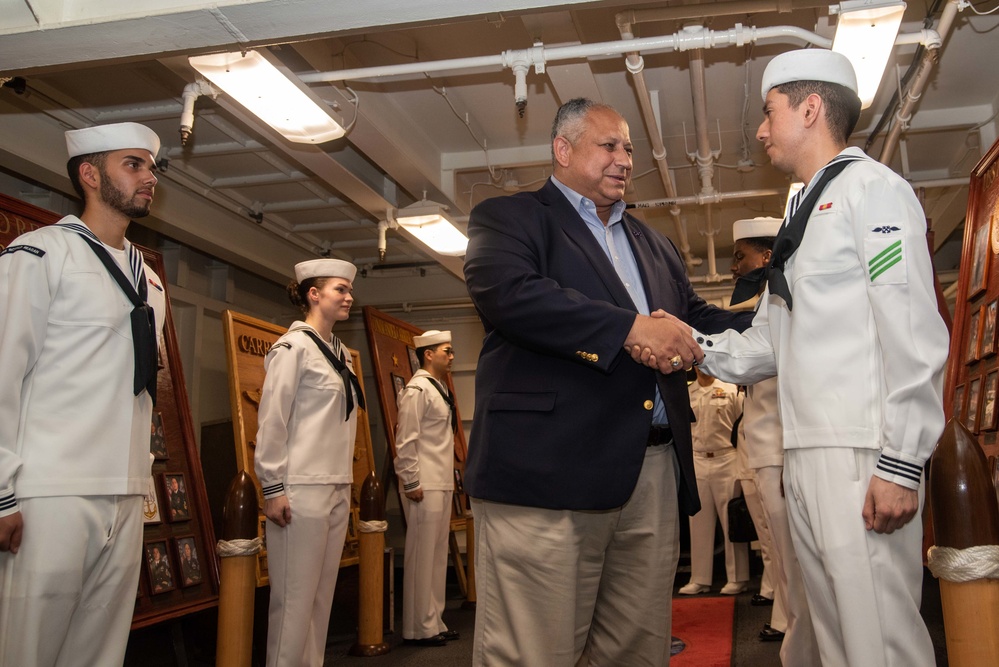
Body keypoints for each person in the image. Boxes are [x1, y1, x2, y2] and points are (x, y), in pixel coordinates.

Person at [463, 97, 752, 666]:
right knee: (534, 650)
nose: (625, 159)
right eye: (610, 146)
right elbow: (511, 296)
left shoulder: (654, 244)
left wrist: (774, 311)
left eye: (629, 149)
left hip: (651, 474)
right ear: (562, 150)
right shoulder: (510, 218)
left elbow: (695, 318)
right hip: (549, 474)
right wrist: (629, 328)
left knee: (637, 649)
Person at [691, 50, 948, 666]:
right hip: (803, 453)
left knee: (877, 637)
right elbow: (769, 343)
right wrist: (689, 345)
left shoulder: (875, 194)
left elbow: (913, 332)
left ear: (810, 110)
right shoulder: (802, 213)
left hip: (861, 454)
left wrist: (903, 462)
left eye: (768, 112)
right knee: (832, 635)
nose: (760, 129)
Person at [0, 122, 166, 667]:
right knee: (28, 651)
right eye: (133, 164)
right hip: (52, 490)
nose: (149, 177)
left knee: (99, 653)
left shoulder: (153, 282)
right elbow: (4, 370)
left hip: (124, 489)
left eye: (151, 166)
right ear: (90, 175)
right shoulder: (42, 253)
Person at [254, 258, 364, 667]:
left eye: (350, 290)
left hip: (335, 483)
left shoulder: (341, 354)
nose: (349, 296)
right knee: (293, 603)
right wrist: (273, 487)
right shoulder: (293, 348)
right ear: (313, 294)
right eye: (341, 289)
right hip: (300, 487)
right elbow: (272, 420)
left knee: (320, 599)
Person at [729, 216, 819, 661]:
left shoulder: (777, 299)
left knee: (793, 556)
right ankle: (788, 624)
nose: (733, 267)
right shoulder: (762, 299)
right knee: (780, 553)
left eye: (740, 256)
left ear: (767, 257)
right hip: (762, 449)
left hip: (779, 450)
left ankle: (798, 637)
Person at [394, 330, 460, 647]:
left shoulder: (439, 388)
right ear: (428, 354)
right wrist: (411, 480)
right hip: (424, 482)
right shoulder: (417, 389)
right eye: (446, 350)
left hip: (440, 480)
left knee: (435, 555)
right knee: (421, 554)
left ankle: (434, 621)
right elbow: (406, 439)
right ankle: (418, 626)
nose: (451, 356)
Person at [677, 367, 749, 595]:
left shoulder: (730, 389)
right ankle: (699, 578)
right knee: (697, 520)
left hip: (726, 457)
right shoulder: (689, 393)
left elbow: (742, 426)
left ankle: (738, 577)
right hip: (698, 459)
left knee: (731, 519)